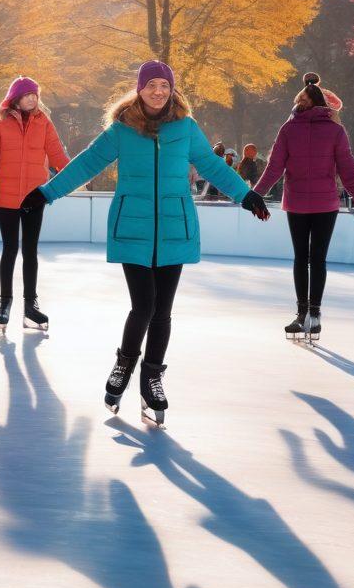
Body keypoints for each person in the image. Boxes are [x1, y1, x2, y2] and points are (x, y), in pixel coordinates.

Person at [18, 61, 269, 425]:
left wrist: (246, 196)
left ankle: (152, 378)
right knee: (144, 305)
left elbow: (212, 167)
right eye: (151, 85)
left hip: (174, 228)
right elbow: (87, 163)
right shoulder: (122, 130)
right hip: (132, 228)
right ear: (139, 89)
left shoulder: (185, 128)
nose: (158, 91)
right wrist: (47, 193)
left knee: (163, 310)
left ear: (172, 90)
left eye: (164, 85)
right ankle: (123, 365)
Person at [255, 72, 354, 343]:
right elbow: (274, 167)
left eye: (305, 98)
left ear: (316, 101)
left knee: (316, 258)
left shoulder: (334, 130)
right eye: (299, 99)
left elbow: (346, 167)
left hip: (323, 203)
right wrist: (256, 194)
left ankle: (314, 314)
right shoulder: (288, 129)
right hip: (297, 202)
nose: (300, 102)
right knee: (302, 257)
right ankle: (302, 313)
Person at [0, 76, 70, 333]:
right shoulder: (0, 128)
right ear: (16, 98)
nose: (33, 98)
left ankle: (31, 306)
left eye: (36, 94)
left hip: (34, 197)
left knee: (30, 250)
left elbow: (57, 156)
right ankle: (5, 303)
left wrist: (77, 175)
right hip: (6, 198)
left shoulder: (44, 124)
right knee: (10, 250)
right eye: (28, 94)